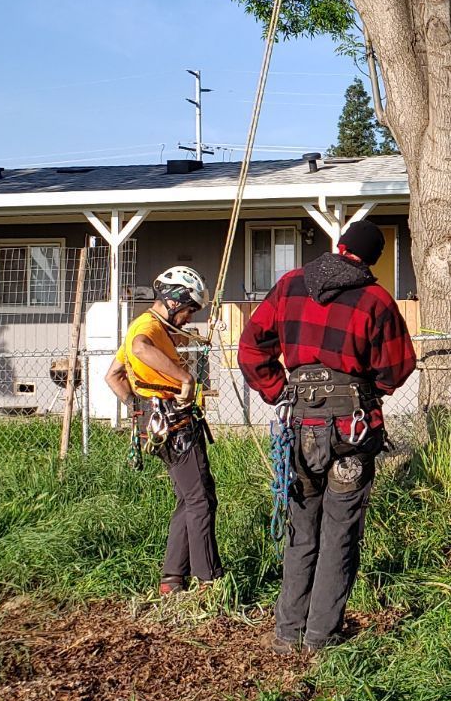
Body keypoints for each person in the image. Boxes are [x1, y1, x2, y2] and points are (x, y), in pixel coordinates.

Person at [238, 219, 416, 654]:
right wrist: (367, 388)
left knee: (302, 531)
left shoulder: (289, 286)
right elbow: (398, 366)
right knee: (340, 533)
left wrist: (278, 390)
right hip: (352, 430)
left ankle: (288, 633)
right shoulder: (375, 299)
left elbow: (251, 347)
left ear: (339, 245)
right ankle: (321, 636)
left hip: (299, 426)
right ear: (372, 260)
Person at [105, 265, 221, 597]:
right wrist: (185, 379)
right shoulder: (148, 327)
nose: (188, 318)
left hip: (158, 421)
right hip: (174, 425)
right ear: (174, 301)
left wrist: (138, 406)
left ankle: (172, 578)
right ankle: (208, 580)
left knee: (188, 497)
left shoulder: (148, 326)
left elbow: (113, 375)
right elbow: (140, 348)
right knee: (201, 499)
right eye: (188, 310)